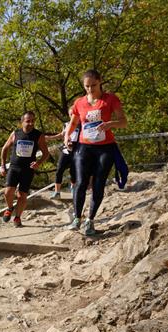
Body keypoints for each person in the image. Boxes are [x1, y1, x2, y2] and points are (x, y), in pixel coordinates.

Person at [65, 69, 128, 236]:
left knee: (99, 183)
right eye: (87, 86)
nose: (90, 89)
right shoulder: (79, 102)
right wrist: (66, 137)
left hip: (105, 147)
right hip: (84, 147)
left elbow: (123, 122)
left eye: (93, 85)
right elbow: (73, 123)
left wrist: (110, 124)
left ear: (100, 82)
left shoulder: (110, 99)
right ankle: (76, 218)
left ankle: (90, 220)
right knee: (80, 182)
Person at [0, 111, 49, 227]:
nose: (31, 123)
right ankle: (10, 208)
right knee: (8, 192)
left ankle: (17, 217)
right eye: (28, 121)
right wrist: (2, 165)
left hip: (28, 169)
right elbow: (4, 148)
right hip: (14, 167)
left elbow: (46, 153)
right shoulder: (15, 133)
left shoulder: (38, 135)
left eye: (33, 121)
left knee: (22, 195)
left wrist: (38, 163)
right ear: (22, 122)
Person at [46, 113, 79, 199]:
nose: (73, 115)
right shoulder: (66, 124)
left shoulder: (82, 124)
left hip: (76, 151)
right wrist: (49, 138)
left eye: (74, 114)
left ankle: (73, 189)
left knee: (73, 171)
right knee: (59, 169)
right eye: (71, 114)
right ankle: (57, 192)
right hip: (66, 150)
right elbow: (61, 135)